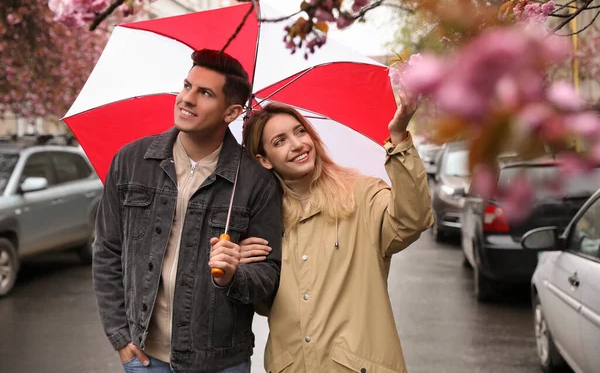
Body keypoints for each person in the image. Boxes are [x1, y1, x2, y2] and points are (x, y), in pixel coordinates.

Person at [93, 49, 283, 373]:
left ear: (232, 111)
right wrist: (120, 337)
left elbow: (269, 275)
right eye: (186, 86)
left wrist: (233, 275)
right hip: (144, 356)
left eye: (205, 93)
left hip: (220, 360)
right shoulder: (131, 162)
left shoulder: (256, 182)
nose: (187, 99)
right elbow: (108, 251)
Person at [240, 97, 434, 373]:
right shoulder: (262, 219)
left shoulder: (360, 193)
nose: (297, 144)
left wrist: (399, 137)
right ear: (264, 160)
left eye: (300, 131)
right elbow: (264, 303)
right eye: (280, 141)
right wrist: (241, 266)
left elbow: (412, 219)